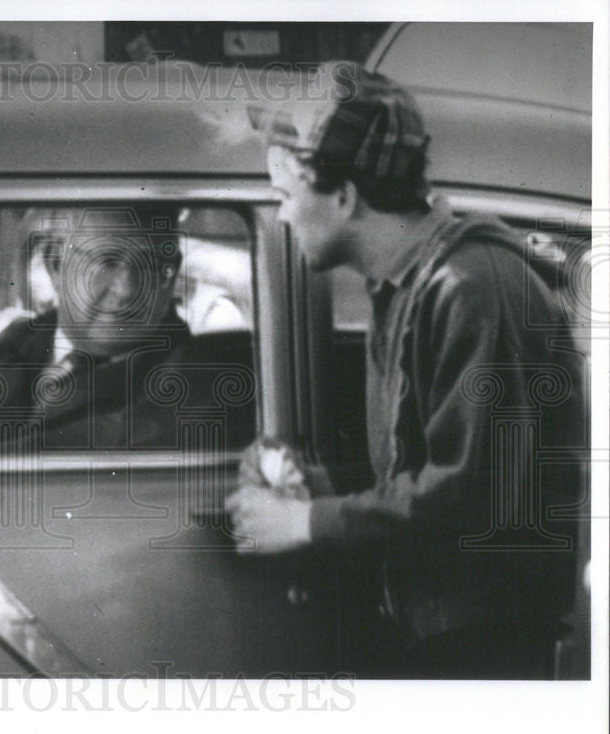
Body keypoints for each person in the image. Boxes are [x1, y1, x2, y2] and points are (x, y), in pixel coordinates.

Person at [229, 61, 586, 678]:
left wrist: (305, 522)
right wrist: (315, 486)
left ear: (344, 196)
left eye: (287, 196)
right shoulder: (411, 284)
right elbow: (418, 469)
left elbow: (467, 500)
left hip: (485, 647)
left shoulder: (470, 288)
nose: (282, 217)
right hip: (446, 631)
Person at [0, 206, 256, 453]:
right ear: (57, 264)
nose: (127, 290)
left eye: (152, 266)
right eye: (108, 262)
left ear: (172, 275)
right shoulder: (7, 344)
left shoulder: (195, 383)